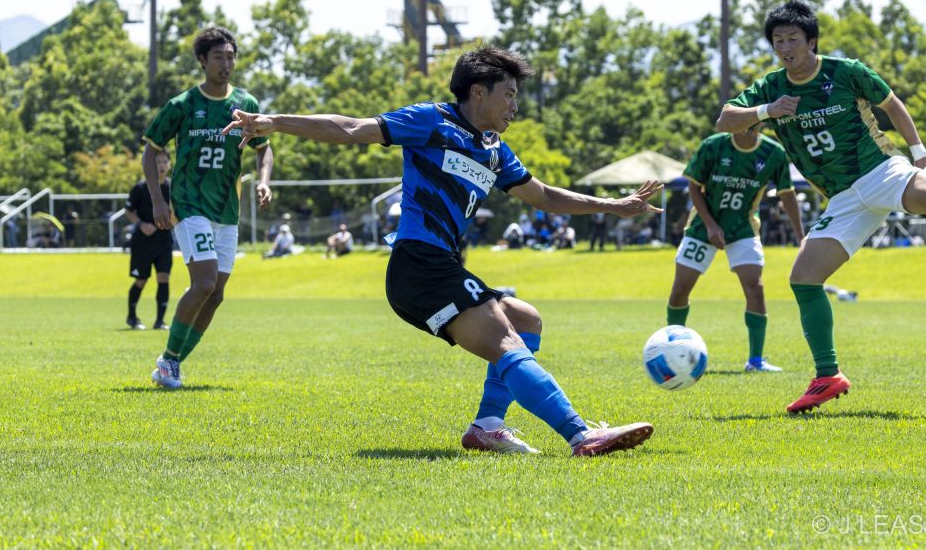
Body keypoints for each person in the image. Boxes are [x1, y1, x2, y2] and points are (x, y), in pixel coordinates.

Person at [224, 46, 660, 457]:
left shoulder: (494, 150)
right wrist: (275, 122)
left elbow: (543, 196)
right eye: (509, 95)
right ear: (478, 92)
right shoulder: (432, 121)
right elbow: (352, 128)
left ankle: (487, 425)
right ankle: (581, 435)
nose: (515, 106)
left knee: (525, 319)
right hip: (419, 264)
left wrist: (612, 205)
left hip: (440, 266)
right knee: (506, 341)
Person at [718, 0, 926, 413]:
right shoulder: (771, 87)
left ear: (811, 41)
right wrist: (767, 111)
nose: (785, 47)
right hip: (842, 199)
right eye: (778, 40)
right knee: (804, 278)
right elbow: (725, 119)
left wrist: (919, 154)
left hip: (880, 171)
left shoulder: (845, 71)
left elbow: (891, 104)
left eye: (793, 39)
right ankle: (828, 375)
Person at [142, 26, 274, 389]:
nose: (225, 64)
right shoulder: (182, 105)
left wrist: (264, 180)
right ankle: (169, 362)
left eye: (230, 57)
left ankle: (170, 362)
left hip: (227, 211)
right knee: (203, 283)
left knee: (216, 295)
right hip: (190, 205)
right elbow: (151, 151)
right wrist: (158, 200)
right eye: (218, 57)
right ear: (203, 61)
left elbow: (264, 150)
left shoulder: (246, 104)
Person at [667, 125, 805, 372]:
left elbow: (787, 194)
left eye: (755, 117)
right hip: (703, 226)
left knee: (755, 288)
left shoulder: (773, 153)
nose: (750, 123)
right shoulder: (713, 145)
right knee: (680, 289)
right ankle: (671, 351)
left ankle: (756, 361)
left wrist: (801, 236)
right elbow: (694, 188)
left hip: (743, 227)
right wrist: (711, 226)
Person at [124, 149, 174, 330]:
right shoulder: (140, 188)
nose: (161, 166)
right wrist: (141, 224)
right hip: (143, 242)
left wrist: (173, 221)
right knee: (141, 280)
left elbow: (177, 211)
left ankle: (160, 321)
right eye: (157, 162)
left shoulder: (173, 187)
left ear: (169, 165)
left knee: (164, 277)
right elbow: (129, 211)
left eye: (164, 162)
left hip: (164, 240)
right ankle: (132, 317)